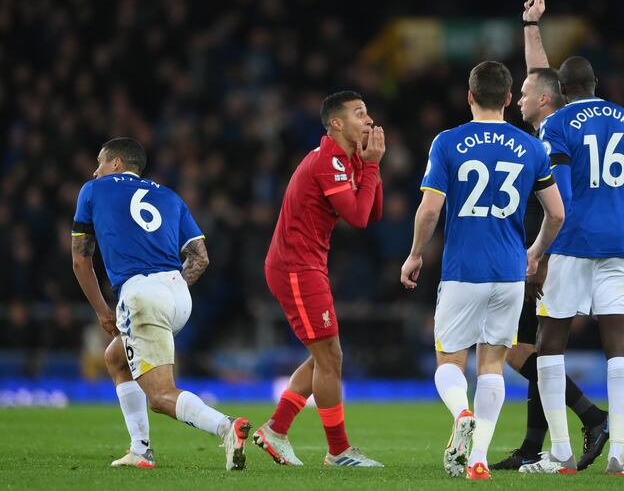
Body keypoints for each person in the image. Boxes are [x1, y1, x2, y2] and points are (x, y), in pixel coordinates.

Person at [517, 0, 624, 477]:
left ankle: (559, 453)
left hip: (571, 246)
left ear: (560, 89)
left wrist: (538, 252)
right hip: (621, 247)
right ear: (596, 85)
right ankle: (618, 455)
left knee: (550, 341)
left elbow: (558, 198)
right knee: (617, 345)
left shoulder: (556, 124)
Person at [401, 61, 565, 481]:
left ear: (470, 96)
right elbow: (557, 214)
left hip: (463, 269)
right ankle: (477, 460)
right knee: (492, 364)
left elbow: (431, 208)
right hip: (510, 273)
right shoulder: (531, 147)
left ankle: (462, 413)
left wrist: (416, 254)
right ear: (510, 99)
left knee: (449, 360)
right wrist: (535, 252)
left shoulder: (448, 142)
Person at [71, 138, 251, 471]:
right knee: (116, 358)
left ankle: (226, 427)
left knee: (160, 395)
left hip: (142, 294)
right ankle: (140, 449)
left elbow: (81, 260)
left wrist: (102, 312)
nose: (94, 171)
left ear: (116, 164)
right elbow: (201, 258)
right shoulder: (170, 196)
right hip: (179, 294)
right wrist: (172, 286)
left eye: (99, 162)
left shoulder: (92, 190)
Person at [490, 0, 609, 473]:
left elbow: (541, 84)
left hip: (557, 249)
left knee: (520, 350)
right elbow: (544, 78)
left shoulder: (553, 130)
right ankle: (533, 446)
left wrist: (537, 254)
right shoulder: (562, 120)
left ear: (544, 101)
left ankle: (590, 417)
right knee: (535, 346)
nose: (518, 98)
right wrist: (531, 24)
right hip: (567, 245)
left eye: (524, 94)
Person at [255, 91, 384, 468]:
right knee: (330, 357)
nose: (369, 120)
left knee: (324, 356)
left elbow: (371, 213)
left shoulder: (344, 159)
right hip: (296, 266)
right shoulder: (328, 159)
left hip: (305, 264)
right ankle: (338, 451)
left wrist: (370, 164)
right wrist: (372, 166)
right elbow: (359, 218)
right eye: (360, 114)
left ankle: (276, 430)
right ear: (337, 124)